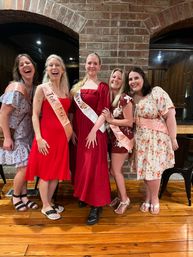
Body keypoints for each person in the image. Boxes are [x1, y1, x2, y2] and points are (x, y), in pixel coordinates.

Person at [26, 54, 72, 220]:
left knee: (55, 174)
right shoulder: (42, 89)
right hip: (46, 138)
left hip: (62, 139)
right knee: (45, 173)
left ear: (62, 70)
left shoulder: (65, 90)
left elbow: (66, 115)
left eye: (57, 65)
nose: (54, 68)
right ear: (47, 69)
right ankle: (45, 206)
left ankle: (50, 202)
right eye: (51, 65)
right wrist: (38, 138)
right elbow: (34, 115)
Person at [128, 66, 179, 215]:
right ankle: (148, 196)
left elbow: (170, 115)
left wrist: (173, 137)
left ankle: (155, 199)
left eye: (136, 77)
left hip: (156, 140)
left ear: (143, 78)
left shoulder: (156, 92)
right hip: (141, 140)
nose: (133, 81)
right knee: (146, 172)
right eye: (130, 79)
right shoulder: (132, 98)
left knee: (154, 172)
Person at [70, 52, 111, 225]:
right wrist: (72, 130)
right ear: (85, 65)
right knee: (83, 166)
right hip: (80, 133)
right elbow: (72, 111)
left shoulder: (103, 87)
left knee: (95, 167)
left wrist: (94, 131)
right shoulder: (77, 87)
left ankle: (96, 204)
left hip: (96, 133)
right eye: (89, 63)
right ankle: (84, 195)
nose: (92, 66)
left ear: (99, 66)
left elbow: (104, 111)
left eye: (95, 63)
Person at [0, 53, 38, 211]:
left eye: (28, 63)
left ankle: (24, 196)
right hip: (16, 135)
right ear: (18, 70)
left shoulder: (33, 88)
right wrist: (7, 138)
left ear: (34, 66)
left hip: (27, 134)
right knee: (24, 168)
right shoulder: (16, 88)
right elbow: (3, 114)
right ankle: (16, 196)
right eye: (21, 64)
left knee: (23, 167)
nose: (26, 66)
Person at [102, 68, 134, 214]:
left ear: (123, 82)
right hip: (112, 139)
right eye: (113, 76)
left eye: (119, 78)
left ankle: (125, 199)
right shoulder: (110, 98)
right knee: (113, 171)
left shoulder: (125, 98)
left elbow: (129, 122)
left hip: (122, 140)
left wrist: (110, 120)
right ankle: (120, 195)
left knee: (116, 170)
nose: (115, 79)